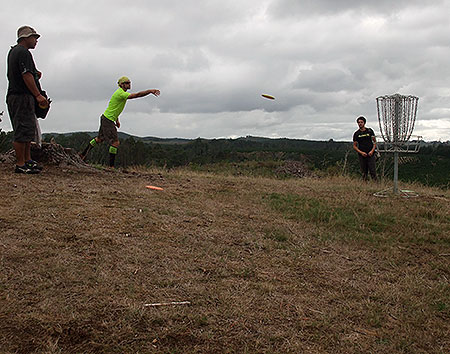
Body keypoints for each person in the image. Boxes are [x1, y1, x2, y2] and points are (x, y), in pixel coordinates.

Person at [80, 77, 160, 167]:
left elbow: (114, 107)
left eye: (129, 82)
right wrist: (149, 91)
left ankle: (82, 155)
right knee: (115, 143)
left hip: (106, 118)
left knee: (99, 139)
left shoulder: (121, 93)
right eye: (126, 83)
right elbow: (136, 95)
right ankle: (111, 167)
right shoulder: (120, 93)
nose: (129, 84)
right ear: (121, 84)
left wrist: (117, 119)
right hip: (108, 120)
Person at [6, 25, 48, 174]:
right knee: (22, 130)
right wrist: (38, 95)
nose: (36, 40)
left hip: (21, 96)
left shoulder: (15, 52)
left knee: (28, 130)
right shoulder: (22, 52)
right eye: (34, 37)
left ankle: (28, 160)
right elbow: (26, 75)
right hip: (20, 96)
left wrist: (36, 73)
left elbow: (27, 72)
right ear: (25, 38)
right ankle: (20, 164)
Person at [353, 116, 377, 181]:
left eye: (361, 122)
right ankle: (365, 185)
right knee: (364, 171)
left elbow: (374, 142)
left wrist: (372, 151)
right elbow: (354, 146)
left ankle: (376, 184)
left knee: (372, 171)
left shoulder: (369, 131)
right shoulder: (356, 134)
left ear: (364, 123)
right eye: (358, 122)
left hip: (370, 154)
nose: (360, 124)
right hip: (362, 155)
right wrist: (361, 152)